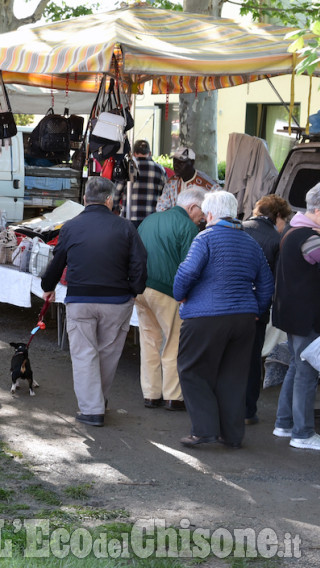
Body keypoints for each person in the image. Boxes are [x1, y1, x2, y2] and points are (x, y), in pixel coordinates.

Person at [41, 176, 147, 428]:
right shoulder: (126, 227)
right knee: (108, 354)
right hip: (117, 301)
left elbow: (58, 261)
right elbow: (140, 263)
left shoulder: (70, 227)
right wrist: (135, 290)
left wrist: (48, 287)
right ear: (110, 200)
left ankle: (92, 409)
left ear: (85, 199)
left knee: (84, 354)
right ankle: (98, 402)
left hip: (80, 300)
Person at [173, 191, 273, 448]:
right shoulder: (251, 243)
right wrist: (256, 311)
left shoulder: (205, 238)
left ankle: (204, 430)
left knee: (192, 370)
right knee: (233, 377)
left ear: (209, 215)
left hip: (206, 316)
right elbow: (266, 283)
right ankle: (232, 435)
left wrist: (180, 295)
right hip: (243, 320)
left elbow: (188, 271)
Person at [135, 187, 206, 411]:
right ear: (192, 207)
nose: (202, 218)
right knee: (174, 343)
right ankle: (173, 397)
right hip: (167, 290)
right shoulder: (187, 226)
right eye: (201, 212)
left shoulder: (150, 219)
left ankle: (151, 394)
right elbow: (191, 266)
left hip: (141, 289)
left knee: (149, 342)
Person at [272, 183, 320, 450]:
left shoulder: (292, 230)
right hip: (305, 316)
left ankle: (284, 423)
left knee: (295, 365)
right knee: (306, 371)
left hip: (290, 313)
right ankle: (302, 433)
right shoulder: (309, 237)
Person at [241, 194, 292, 425]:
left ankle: (223, 407)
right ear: (278, 216)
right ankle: (247, 411)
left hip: (229, 307)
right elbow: (276, 280)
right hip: (256, 310)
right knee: (251, 361)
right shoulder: (275, 239)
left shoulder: (238, 228)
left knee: (228, 357)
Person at [119, 140, 167, 228]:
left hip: (129, 216)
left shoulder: (128, 168)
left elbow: (116, 192)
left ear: (133, 153)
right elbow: (165, 194)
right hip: (151, 219)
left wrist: (115, 208)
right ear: (150, 153)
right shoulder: (160, 170)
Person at [156, 147, 220, 212]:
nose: (176, 166)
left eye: (181, 163)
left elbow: (218, 208)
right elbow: (161, 207)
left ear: (192, 162)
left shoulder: (207, 184)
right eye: (174, 162)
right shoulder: (171, 182)